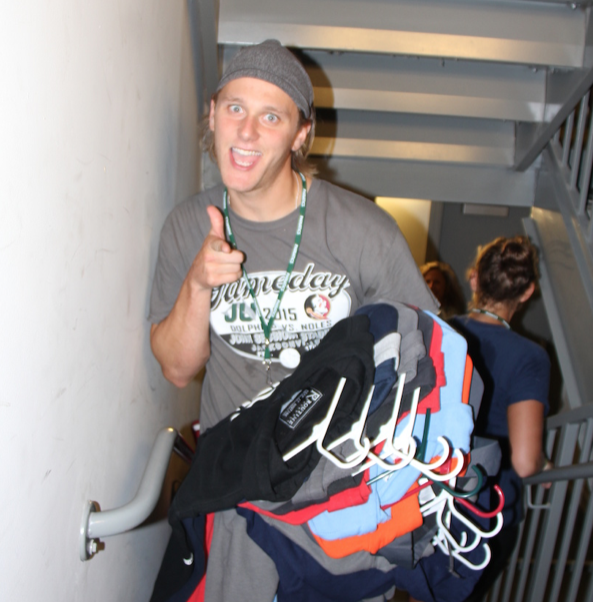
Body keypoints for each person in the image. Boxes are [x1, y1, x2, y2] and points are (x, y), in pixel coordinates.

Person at [148, 39, 438, 434]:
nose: (246, 132)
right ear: (213, 115)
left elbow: (428, 352)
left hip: (336, 476)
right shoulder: (186, 225)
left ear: (301, 134)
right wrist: (198, 283)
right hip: (230, 475)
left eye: (270, 118)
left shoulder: (365, 230)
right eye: (236, 109)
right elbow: (177, 370)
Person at [449, 236, 552, 602]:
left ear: (474, 279)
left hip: (430, 491)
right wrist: (544, 462)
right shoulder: (529, 358)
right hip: (485, 508)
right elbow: (525, 463)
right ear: (527, 293)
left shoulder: (441, 332)